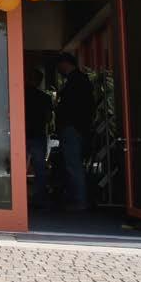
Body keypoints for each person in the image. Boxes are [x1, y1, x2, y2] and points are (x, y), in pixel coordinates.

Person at [54, 53, 93, 211]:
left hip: (72, 128)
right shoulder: (80, 80)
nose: (58, 69)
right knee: (73, 164)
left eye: (59, 66)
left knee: (73, 164)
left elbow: (71, 106)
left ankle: (79, 200)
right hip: (77, 127)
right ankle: (78, 199)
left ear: (65, 63)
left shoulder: (75, 81)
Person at [24, 67, 54, 207]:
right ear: (40, 81)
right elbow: (48, 118)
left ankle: (19, 197)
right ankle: (40, 197)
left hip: (22, 134)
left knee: (19, 167)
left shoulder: (20, 95)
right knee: (40, 168)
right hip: (38, 134)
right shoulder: (45, 98)